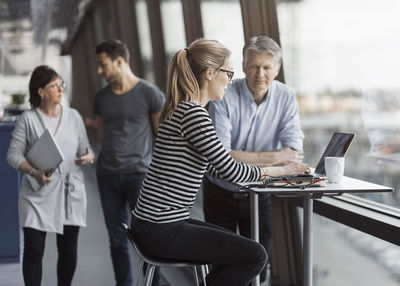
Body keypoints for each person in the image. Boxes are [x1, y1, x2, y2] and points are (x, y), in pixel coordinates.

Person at [131, 38, 310, 286]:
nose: (230, 79)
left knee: (241, 249)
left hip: (154, 223)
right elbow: (230, 170)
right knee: (256, 255)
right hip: (162, 228)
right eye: (228, 72)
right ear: (210, 73)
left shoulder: (183, 109)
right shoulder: (194, 114)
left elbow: (217, 166)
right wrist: (281, 171)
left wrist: (271, 169)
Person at [203, 35, 305, 283]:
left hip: (259, 193)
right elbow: (222, 155)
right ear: (244, 65)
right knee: (222, 266)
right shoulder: (223, 96)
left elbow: (293, 151)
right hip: (220, 191)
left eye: (267, 67)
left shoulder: (286, 97)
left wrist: (255, 158)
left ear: (277, 69)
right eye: (254, 66)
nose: (260, 74)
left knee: (259, 266)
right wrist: (274, 157)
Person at [7, 65, 94, 286]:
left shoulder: (74, 116)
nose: (60, 89)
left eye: (61, 84)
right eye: (54, 86)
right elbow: (13, 155)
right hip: (36, 193)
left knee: (68, 251)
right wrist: (34, 171)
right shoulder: (27, 119)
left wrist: (88, 157)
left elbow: (86, 149)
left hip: (69, 193)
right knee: (34, 250)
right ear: (40, 91)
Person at [93, 39, 165, 286]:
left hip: (140, 176)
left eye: (103, 65)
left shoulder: (150, 93)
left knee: (148, 238)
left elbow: (161, 137)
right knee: (116, 240)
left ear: (119, 61)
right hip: (107, 177)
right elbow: (102, 135)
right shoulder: (101, 98)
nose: (100, 71)